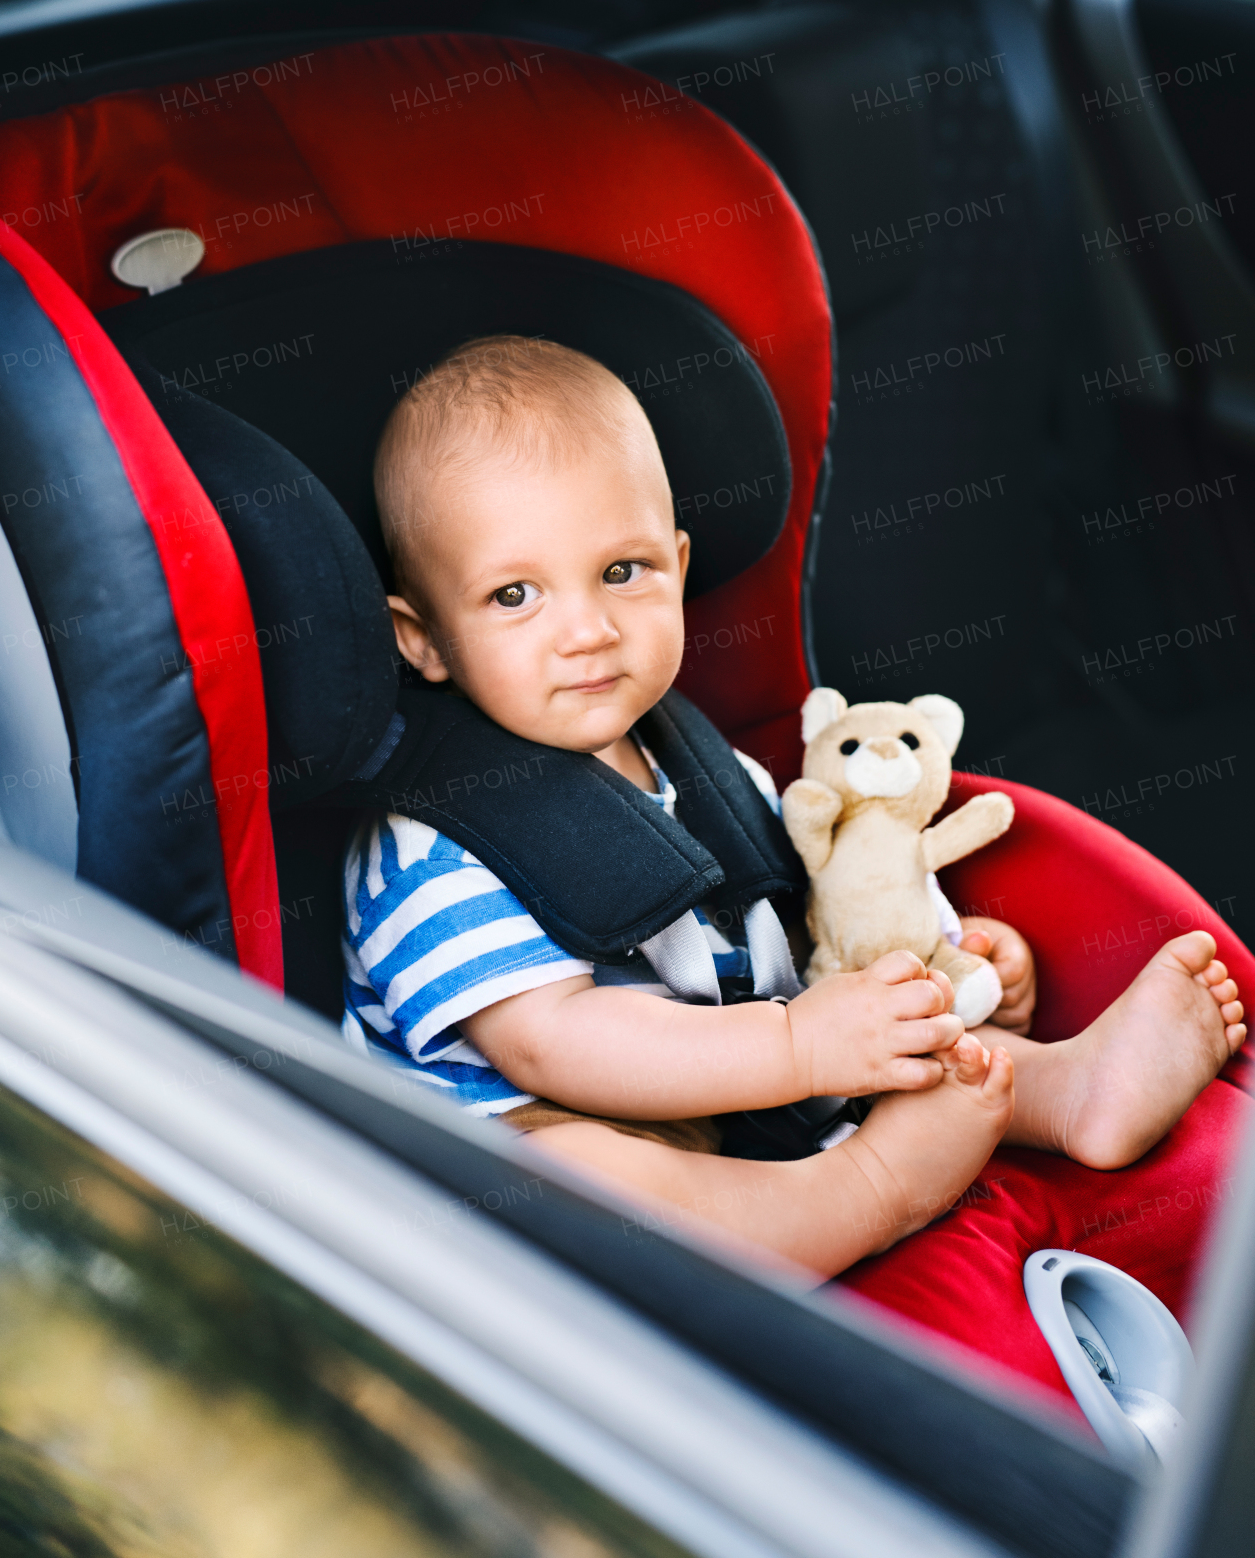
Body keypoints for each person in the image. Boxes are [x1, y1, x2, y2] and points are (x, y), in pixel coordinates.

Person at [342, 334, 1245, 1289]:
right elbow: (552, 1043)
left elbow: (817, 924)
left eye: (624, 571)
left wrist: (945, 965)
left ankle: (1066, 1090)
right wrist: (798, 1046)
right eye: (514, 595)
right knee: (570, 1176)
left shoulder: (714, 770)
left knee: (905, 1027)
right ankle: (865, 1188)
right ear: (424, 638)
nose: (588, 629)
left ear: (680, 566)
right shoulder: (426, 848)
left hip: (752, 1082)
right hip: (538, 1141)